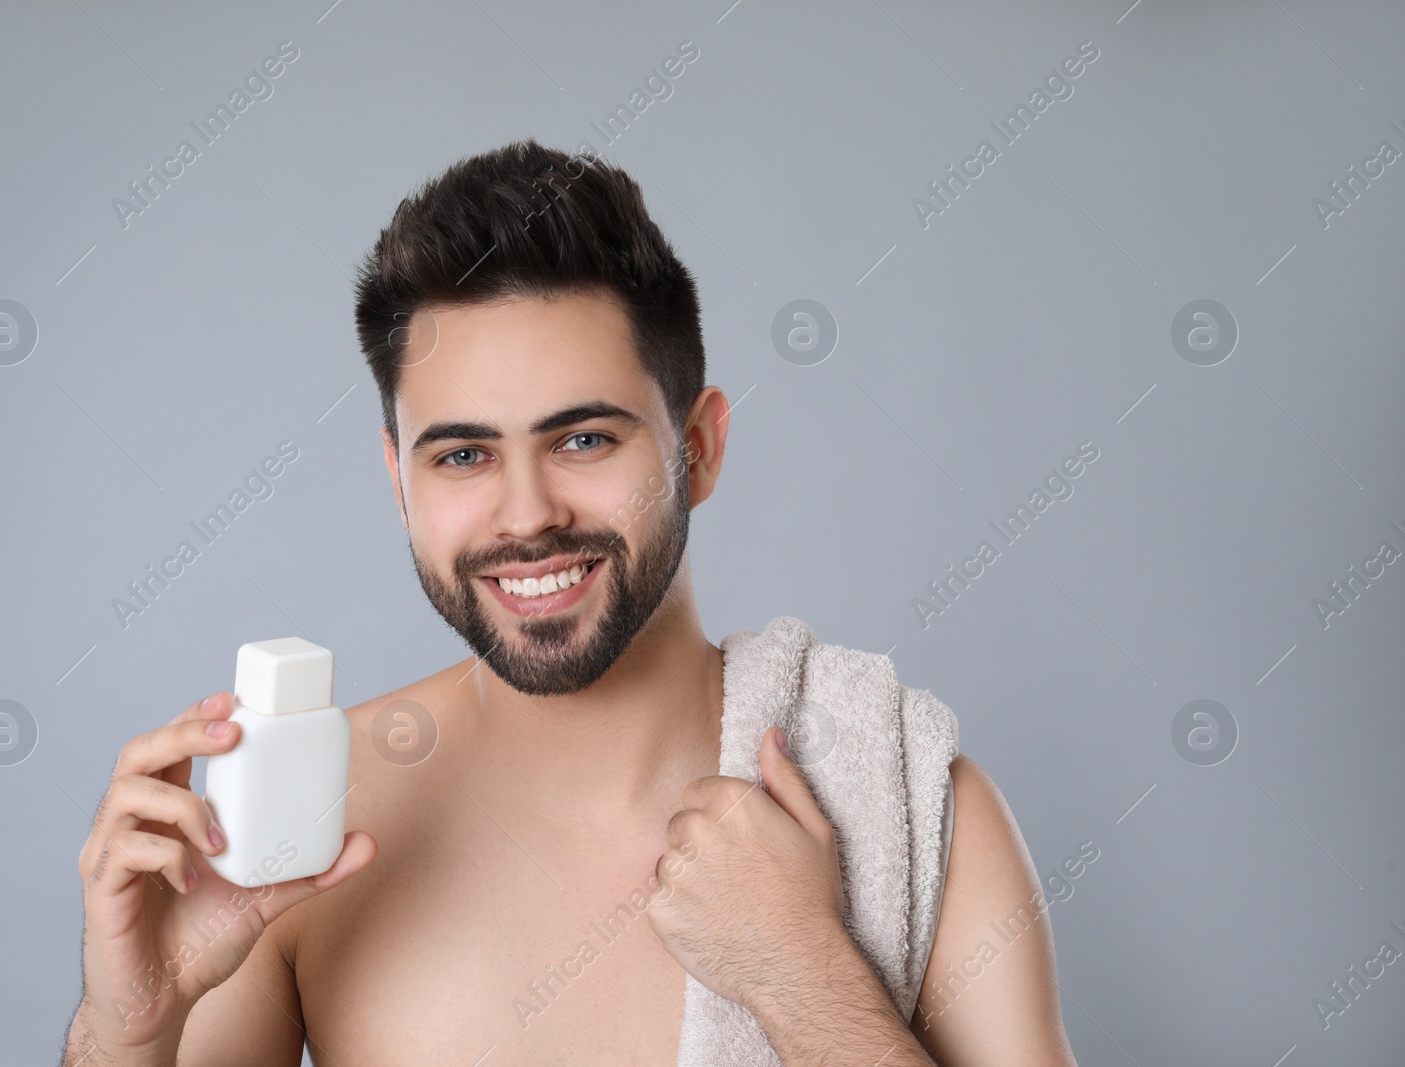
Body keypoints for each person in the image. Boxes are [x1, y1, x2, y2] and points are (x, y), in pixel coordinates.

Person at [61, 138, 1078, 1066]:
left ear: (699, 446)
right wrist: (129, 1028)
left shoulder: (910, 803)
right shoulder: (300, 843)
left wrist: (800, 975)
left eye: (584, 439)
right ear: (397, 478)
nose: (527, 514)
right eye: (462, 454)